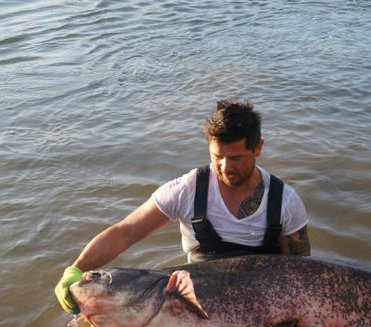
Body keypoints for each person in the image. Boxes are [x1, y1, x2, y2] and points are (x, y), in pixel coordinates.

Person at [55, 99, 311, 314]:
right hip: (196, 304)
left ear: (258, 148)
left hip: (262, 306)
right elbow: (126, 232)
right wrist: (77, 269)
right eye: (218, 157)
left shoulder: (286, 202)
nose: (225, 167)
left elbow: (303, 274)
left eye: (236, 158)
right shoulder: (186, 190)